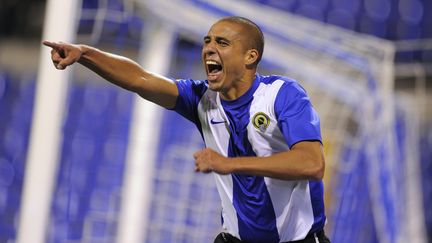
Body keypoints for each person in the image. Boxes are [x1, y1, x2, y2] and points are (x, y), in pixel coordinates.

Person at [43, 16, 330, 243]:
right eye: (207, 41)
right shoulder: (201, 98)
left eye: (222, 42)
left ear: (250, 56)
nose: (209, 48)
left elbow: (311, 163)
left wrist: (228, 164)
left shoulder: (283, 94)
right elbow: (139, 78)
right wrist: (84, 54)